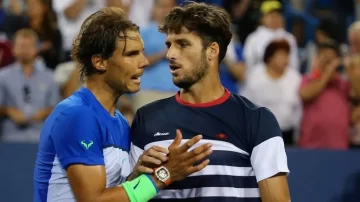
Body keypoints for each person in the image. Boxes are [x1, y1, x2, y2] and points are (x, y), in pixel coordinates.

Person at [33, 7, 212, 202]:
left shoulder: (118, 121)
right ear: (100, 62)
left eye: (142, 53)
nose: (143, 62)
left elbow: (113, 192)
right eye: (131, 54)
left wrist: (135, 176)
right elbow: (93, 200)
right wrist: (164, 175)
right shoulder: (77, 115)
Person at [129, 2, 290, 201]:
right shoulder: (147, 118)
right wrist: (153, 176)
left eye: (183, 44)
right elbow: (129, 196)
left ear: (212, 51)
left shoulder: (257, 120)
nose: (170, 54)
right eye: (169, 45)